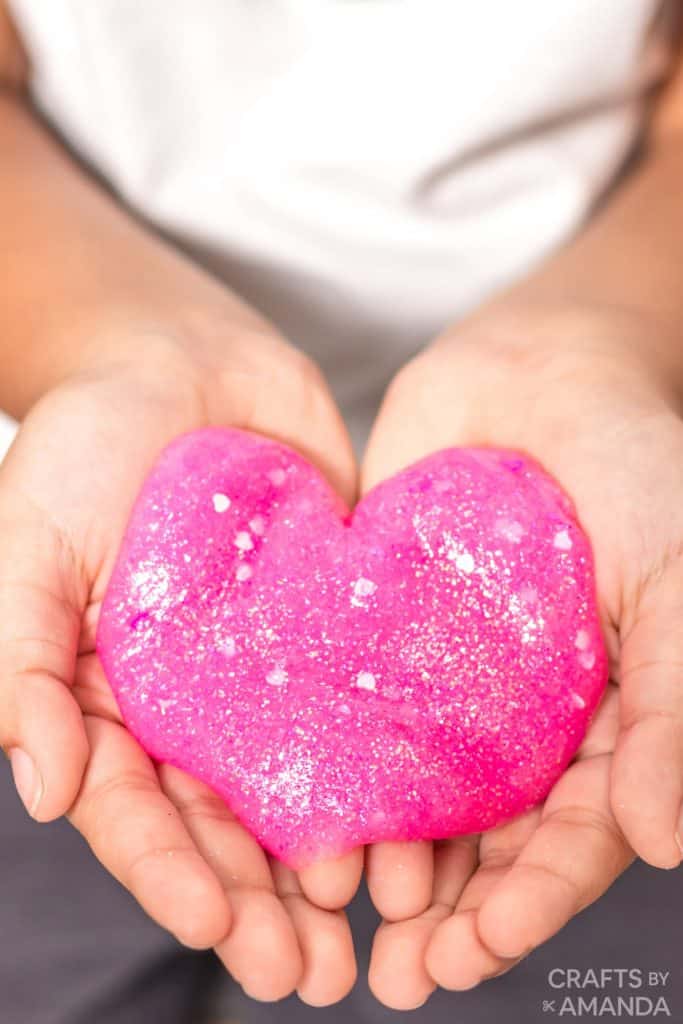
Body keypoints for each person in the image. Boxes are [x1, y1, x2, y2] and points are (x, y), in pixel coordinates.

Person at [0, 1, 682, 1020]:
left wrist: (609, 334)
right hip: (86, 533)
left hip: (600, 497)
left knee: (592, 983)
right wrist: (103, 342)